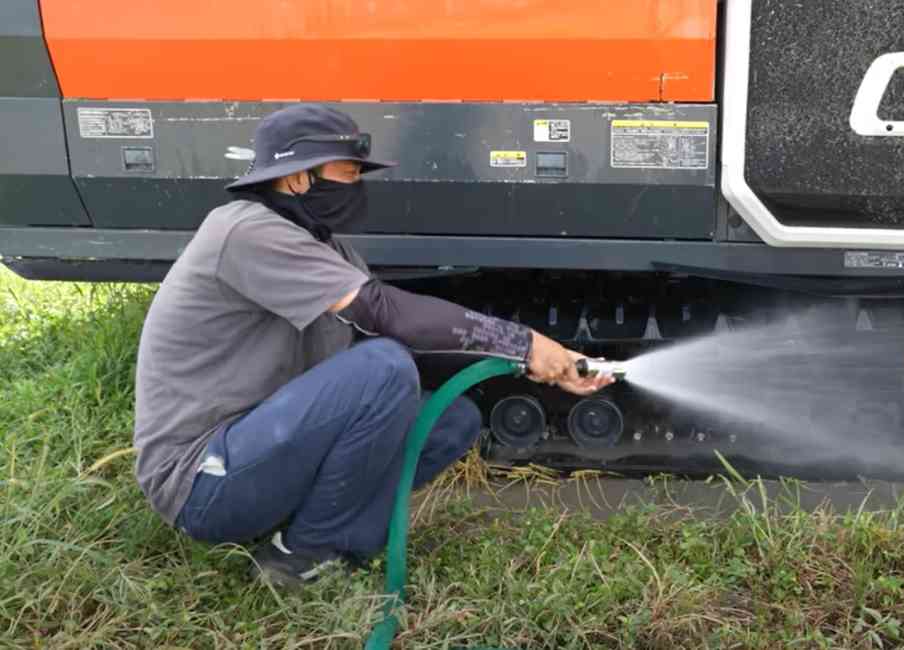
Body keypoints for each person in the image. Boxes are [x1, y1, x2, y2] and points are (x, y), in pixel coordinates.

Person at [132, 104, 611, 587]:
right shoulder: (243, 231)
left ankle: (338, 545)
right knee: (383, 368)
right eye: (347, 173)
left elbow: (401, 336)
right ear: (298, 179)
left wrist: (524, 362)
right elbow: (383, 313)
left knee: (450, 421)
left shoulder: (326, 250)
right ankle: (298, 555)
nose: (357, 185)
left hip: (265, 451)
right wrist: (523, 342)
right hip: (203, 482)